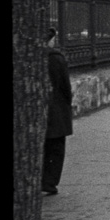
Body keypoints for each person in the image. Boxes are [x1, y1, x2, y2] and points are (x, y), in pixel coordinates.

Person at [44, 28, 73, 195]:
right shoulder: (56, 58)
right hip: (56, 110)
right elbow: (65, 86)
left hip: (42, 109)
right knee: (55, 148)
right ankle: (49, 182)